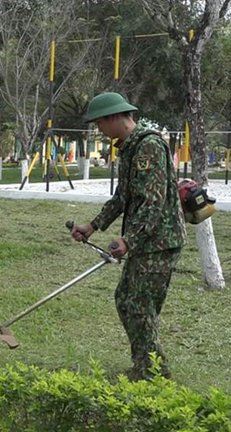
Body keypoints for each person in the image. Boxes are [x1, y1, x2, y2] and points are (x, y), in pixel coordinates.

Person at [71, 92, 186, 381]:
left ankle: (152, 373)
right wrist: (93, 226)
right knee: (127, 299)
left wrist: (129, 240)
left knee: (138, 304)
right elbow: (123, 196)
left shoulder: (148, 146)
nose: (99, 129)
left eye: (99, 123)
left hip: (159, 241)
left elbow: (153, 202)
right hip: (147, 240)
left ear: (113, 118)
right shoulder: (130, 148)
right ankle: (147, 366)